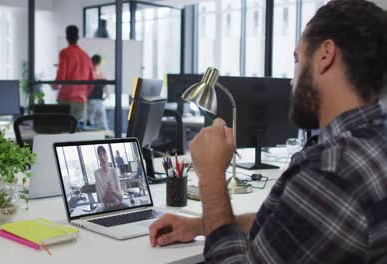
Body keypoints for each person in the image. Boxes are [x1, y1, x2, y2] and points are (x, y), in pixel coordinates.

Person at [149, 0, 387, 262]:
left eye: (297, 59)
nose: (291, 79)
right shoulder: (373, 144)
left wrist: (212, 175)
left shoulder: (332, 170)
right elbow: (292, 228)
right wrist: (199, 225)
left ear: (324, 55)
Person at [53, 25, 94, 123]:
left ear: (66, 37)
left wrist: (54, 85)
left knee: (63, 129)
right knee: (76, 130)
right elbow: (92, 81)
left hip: (65, 98)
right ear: (78, 37)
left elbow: (61, 76)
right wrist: (84, 94)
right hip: (80, 99)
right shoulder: (85, 55)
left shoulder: (65, 53)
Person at [87, 54, 108, 130]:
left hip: (91, 101)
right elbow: (106, 91)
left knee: (89, 123)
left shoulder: (88, 74)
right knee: (102, 124)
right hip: (99, 101)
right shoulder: (102, 75)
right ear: (99, 63)